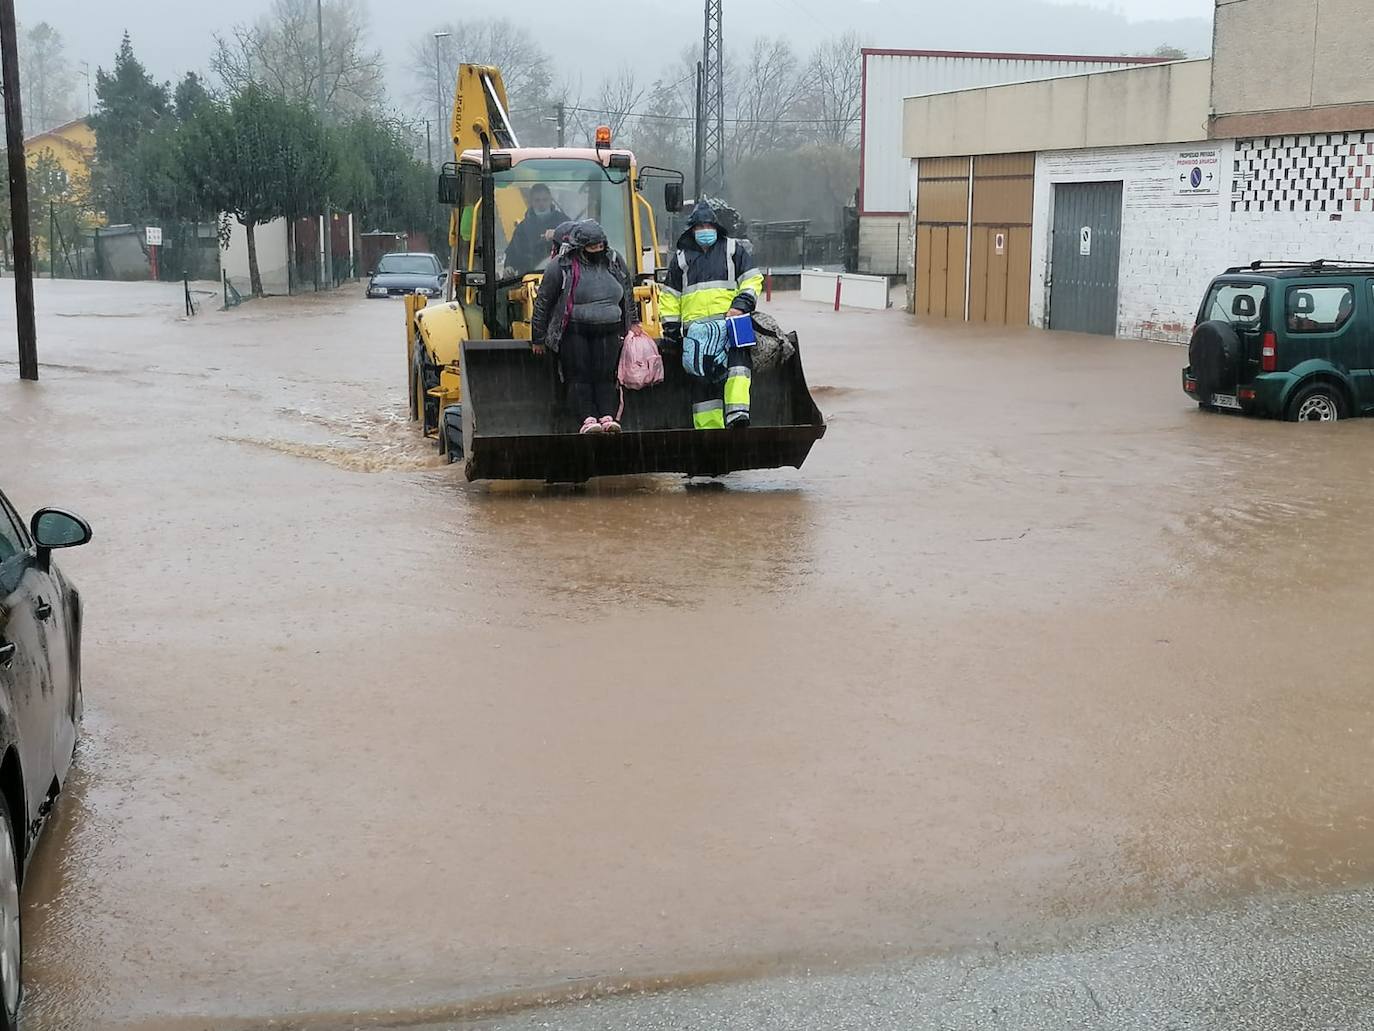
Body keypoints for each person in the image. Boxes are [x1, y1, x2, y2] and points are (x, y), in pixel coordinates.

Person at [660, 201, 765, 429]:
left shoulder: (733, 249)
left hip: (733, 322)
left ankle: (738, 416)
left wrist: (742, 304)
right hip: (697, 331)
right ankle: (710, 432)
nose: (704, 230)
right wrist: (671, 328)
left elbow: (752, 279)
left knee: (739, 368)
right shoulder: (680, 259)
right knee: (703, 380)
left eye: (708, 226)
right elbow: (669, 295)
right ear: (692, 230)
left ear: (716, 228)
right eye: (699, 227)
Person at [531, 220, 633, 434]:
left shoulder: (614, 261)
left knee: (605, 375)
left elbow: (628, 293)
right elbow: (543, 301)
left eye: (600, 246)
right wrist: (538, 338)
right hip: (574, 330)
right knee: (579, 375)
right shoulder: (560, 266)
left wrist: (633, 324)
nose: (597, 250)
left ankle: (608, 416)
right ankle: (587, 418)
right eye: (592, 247)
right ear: (580, 247)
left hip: (608, 329)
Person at [506, 184, 569, 273]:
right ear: (531, 202)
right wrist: (508, 266)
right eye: (537, 200)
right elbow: (513, 252)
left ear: (551, 200)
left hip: (558, 276)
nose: (541, 204)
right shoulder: (523, 227)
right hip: (527, 279)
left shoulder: (564, 222)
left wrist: (558, 234)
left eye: (545, 200)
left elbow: (575, 239)